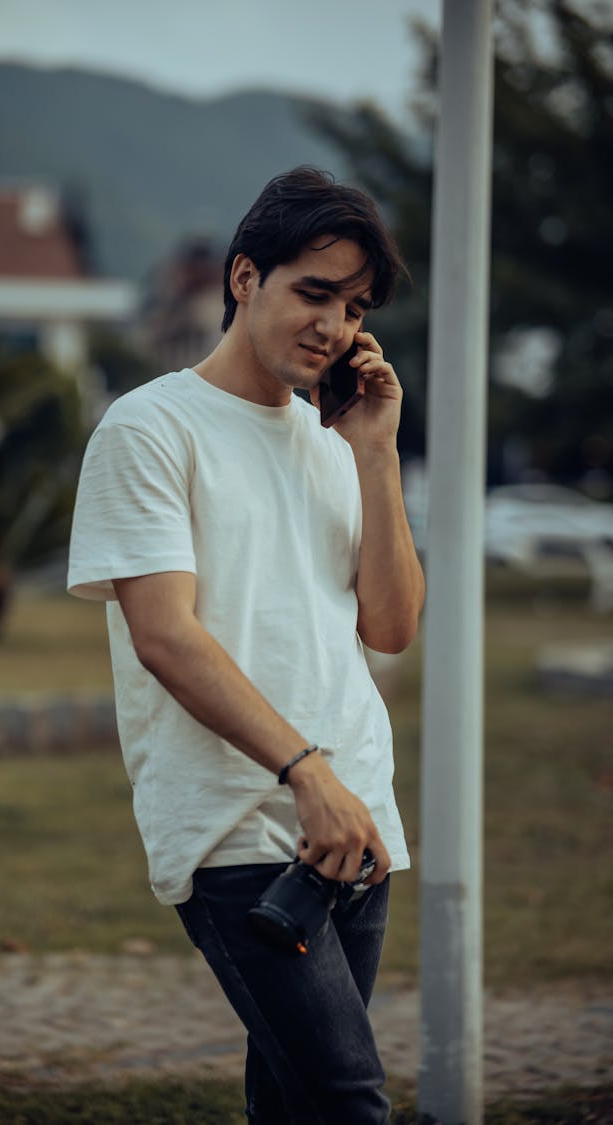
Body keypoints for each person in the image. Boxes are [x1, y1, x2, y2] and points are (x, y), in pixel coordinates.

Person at [68, 166, 425, 1124]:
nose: (334, 326)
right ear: (243, 278)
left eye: (352, 307)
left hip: (359, 826)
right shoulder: (150, 427)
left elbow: (390, 626)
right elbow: (165, 635)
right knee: (352, 1102)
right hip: (243, 827)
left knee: (295, 1103)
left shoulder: (334, 443)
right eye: (313, 292)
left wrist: (377, 450)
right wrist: (304, 772)